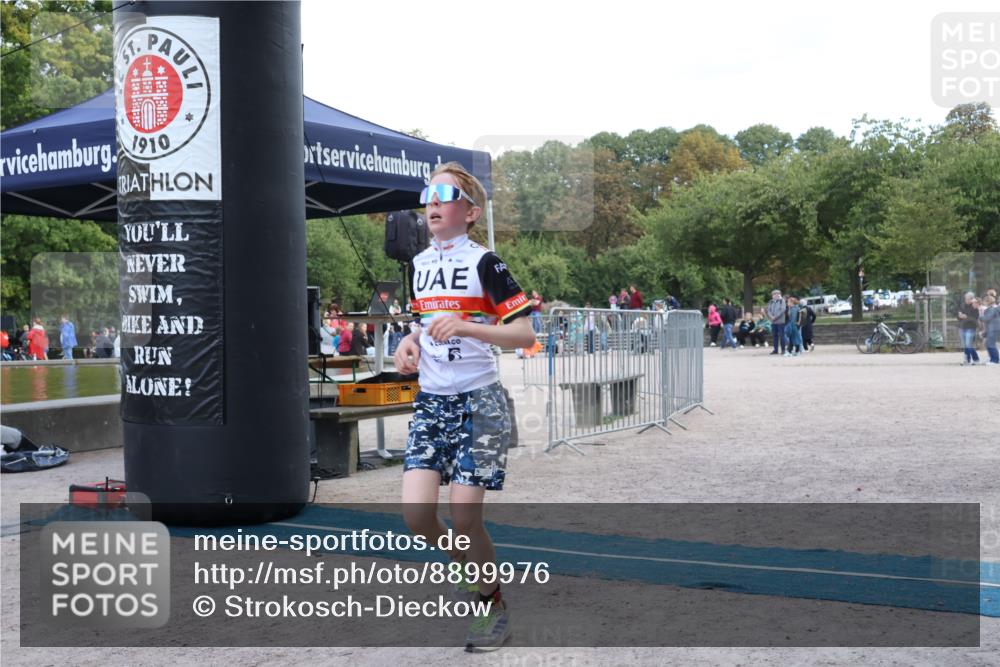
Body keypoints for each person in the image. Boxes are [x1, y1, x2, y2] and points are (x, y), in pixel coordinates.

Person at [393, 162, 534, 652]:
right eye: (427, 194)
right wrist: (408, 342)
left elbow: (524, 335)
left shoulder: (486, 264)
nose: (432, 202)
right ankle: (476, 576)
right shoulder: (419, 266)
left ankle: (491, 606)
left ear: (470, 211)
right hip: (433, 401)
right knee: (416, 516)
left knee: (465, 516)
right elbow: (423, 325)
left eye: (443, 194)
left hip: (480, 400)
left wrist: (468, 326)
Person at [957, 291, 981, 366]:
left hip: (971, 327)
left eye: (967, 299)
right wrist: (959, 315)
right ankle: (976, 359)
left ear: (971, 299)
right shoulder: (962, 305)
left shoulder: (974, 306)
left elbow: (975, 317)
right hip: (962, 327)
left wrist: (966, 316)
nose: (965, 300)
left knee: (968, 344)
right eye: (965, 298)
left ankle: (967, 360)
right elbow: (958, 314)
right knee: (966, 345)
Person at [980, 294, 999, 365]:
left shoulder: (991, 309)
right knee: (990, 344)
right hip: (993, 328)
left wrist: (980, 317)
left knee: (990, 344)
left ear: (988, 302)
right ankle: (993, 359)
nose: (983, 303)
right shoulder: (993, 308)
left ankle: (994, 360)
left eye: (984, 301)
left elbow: (987, 318)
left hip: (993, 328)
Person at [766, 289, 786, 355]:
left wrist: (775, 317)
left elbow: (782, 310)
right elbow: (768, 310)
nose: (775, 295)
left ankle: (783, 349)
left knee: (782, 336)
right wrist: (771, 316)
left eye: (776, 294)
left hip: (780, 321)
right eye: (773, 294)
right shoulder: (770, 302)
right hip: (773, 322)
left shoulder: (782, 301)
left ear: (779, 294)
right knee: (774, 336)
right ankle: (775, 350)